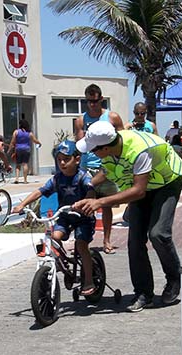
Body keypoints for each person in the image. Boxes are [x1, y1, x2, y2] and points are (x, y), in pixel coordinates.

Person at [73, 121, 182, 311]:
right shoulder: (111, 149)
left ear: (105, 148)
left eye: (93, 150)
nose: (91, 154)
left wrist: (100, 202)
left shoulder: (139, 150)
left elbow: (138, 191)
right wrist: (88, 187)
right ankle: (144, 293)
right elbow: (106, 171)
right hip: (143, 187)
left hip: (166, 183)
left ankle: (174, 277)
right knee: (135, 241)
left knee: (158, 233)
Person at [12, 140, 96, 294]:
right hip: (65, 216)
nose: (62, 163)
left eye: (66, 159)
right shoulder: (57, 179)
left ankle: (89, 280)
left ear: (77, 159)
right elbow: (40, 191)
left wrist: (86, 202)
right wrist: (22, 205)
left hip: (83, 217)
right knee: (54, 238)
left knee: (81, 245)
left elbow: (91, 191)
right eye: (59, 160)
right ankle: (63, 263)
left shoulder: (83, 177)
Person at [74, 83, 124, 254]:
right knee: (85, 206)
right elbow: (79, 145)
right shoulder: (81, 120)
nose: (92, 104)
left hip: (107, 166)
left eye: (95, 101)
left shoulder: (112, 117)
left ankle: (107, 240)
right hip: (87, 167)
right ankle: (83, 242)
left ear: (101, 99)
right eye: (88, 101)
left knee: (107, 205)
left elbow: (122, 140)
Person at [8, 119, 41, 184]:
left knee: (18, 164)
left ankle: (17, 179)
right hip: (26, 149)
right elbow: (34, 140)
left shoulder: (16, 132)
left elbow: (12, 141)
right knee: (25, 164)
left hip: (18, 149)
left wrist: (9, 150)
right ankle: (25, 180)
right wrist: (39, 143)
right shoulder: (29, 133)